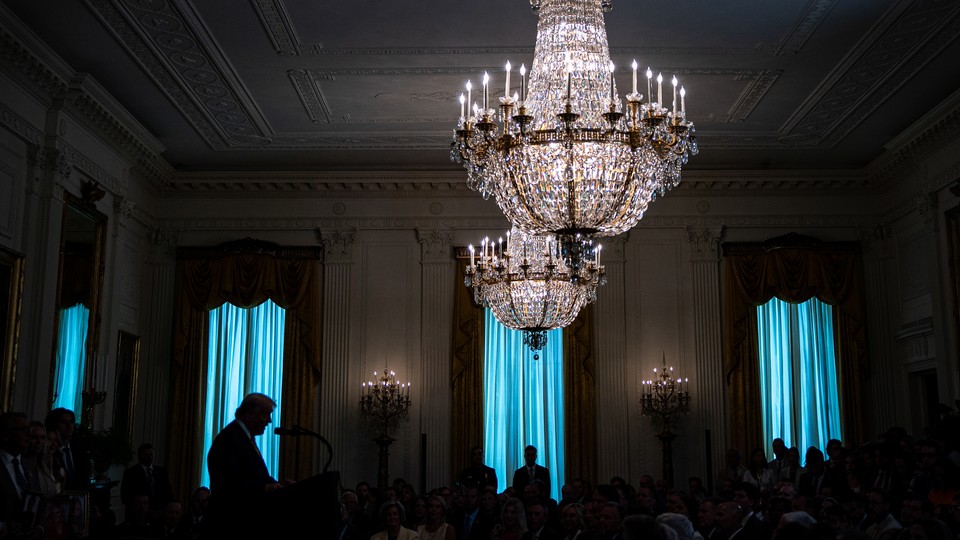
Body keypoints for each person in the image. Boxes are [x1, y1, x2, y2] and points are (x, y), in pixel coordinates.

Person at [205, 393, 283, 536]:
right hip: (230, 524)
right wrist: (265, 488)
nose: (270, 421)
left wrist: (280, 486)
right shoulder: (229, 439)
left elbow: (257, 477)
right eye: (266, 415)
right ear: (249, 414)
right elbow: (228, 485)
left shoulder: (244, 438)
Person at [0, 411, 32, 537]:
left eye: (28, 429)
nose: (29, 434)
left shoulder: (29, 465)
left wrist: (40, 528)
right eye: (23, 429)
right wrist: (3, 526)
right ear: (6, 435)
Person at [44, 408, 90, 490]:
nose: (69, 426)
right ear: (54, 425)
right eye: (64, 422)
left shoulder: (79, 450)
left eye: (71, 422)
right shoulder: (49, 451)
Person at [121, 443, 175, 513]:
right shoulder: (130, 473)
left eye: (151, 454)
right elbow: (125, 496)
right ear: (139, 456)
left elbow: (168, 492)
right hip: (139, 513)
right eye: (146, 455)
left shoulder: (162, 472)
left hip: (159, 512)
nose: (149, 457)